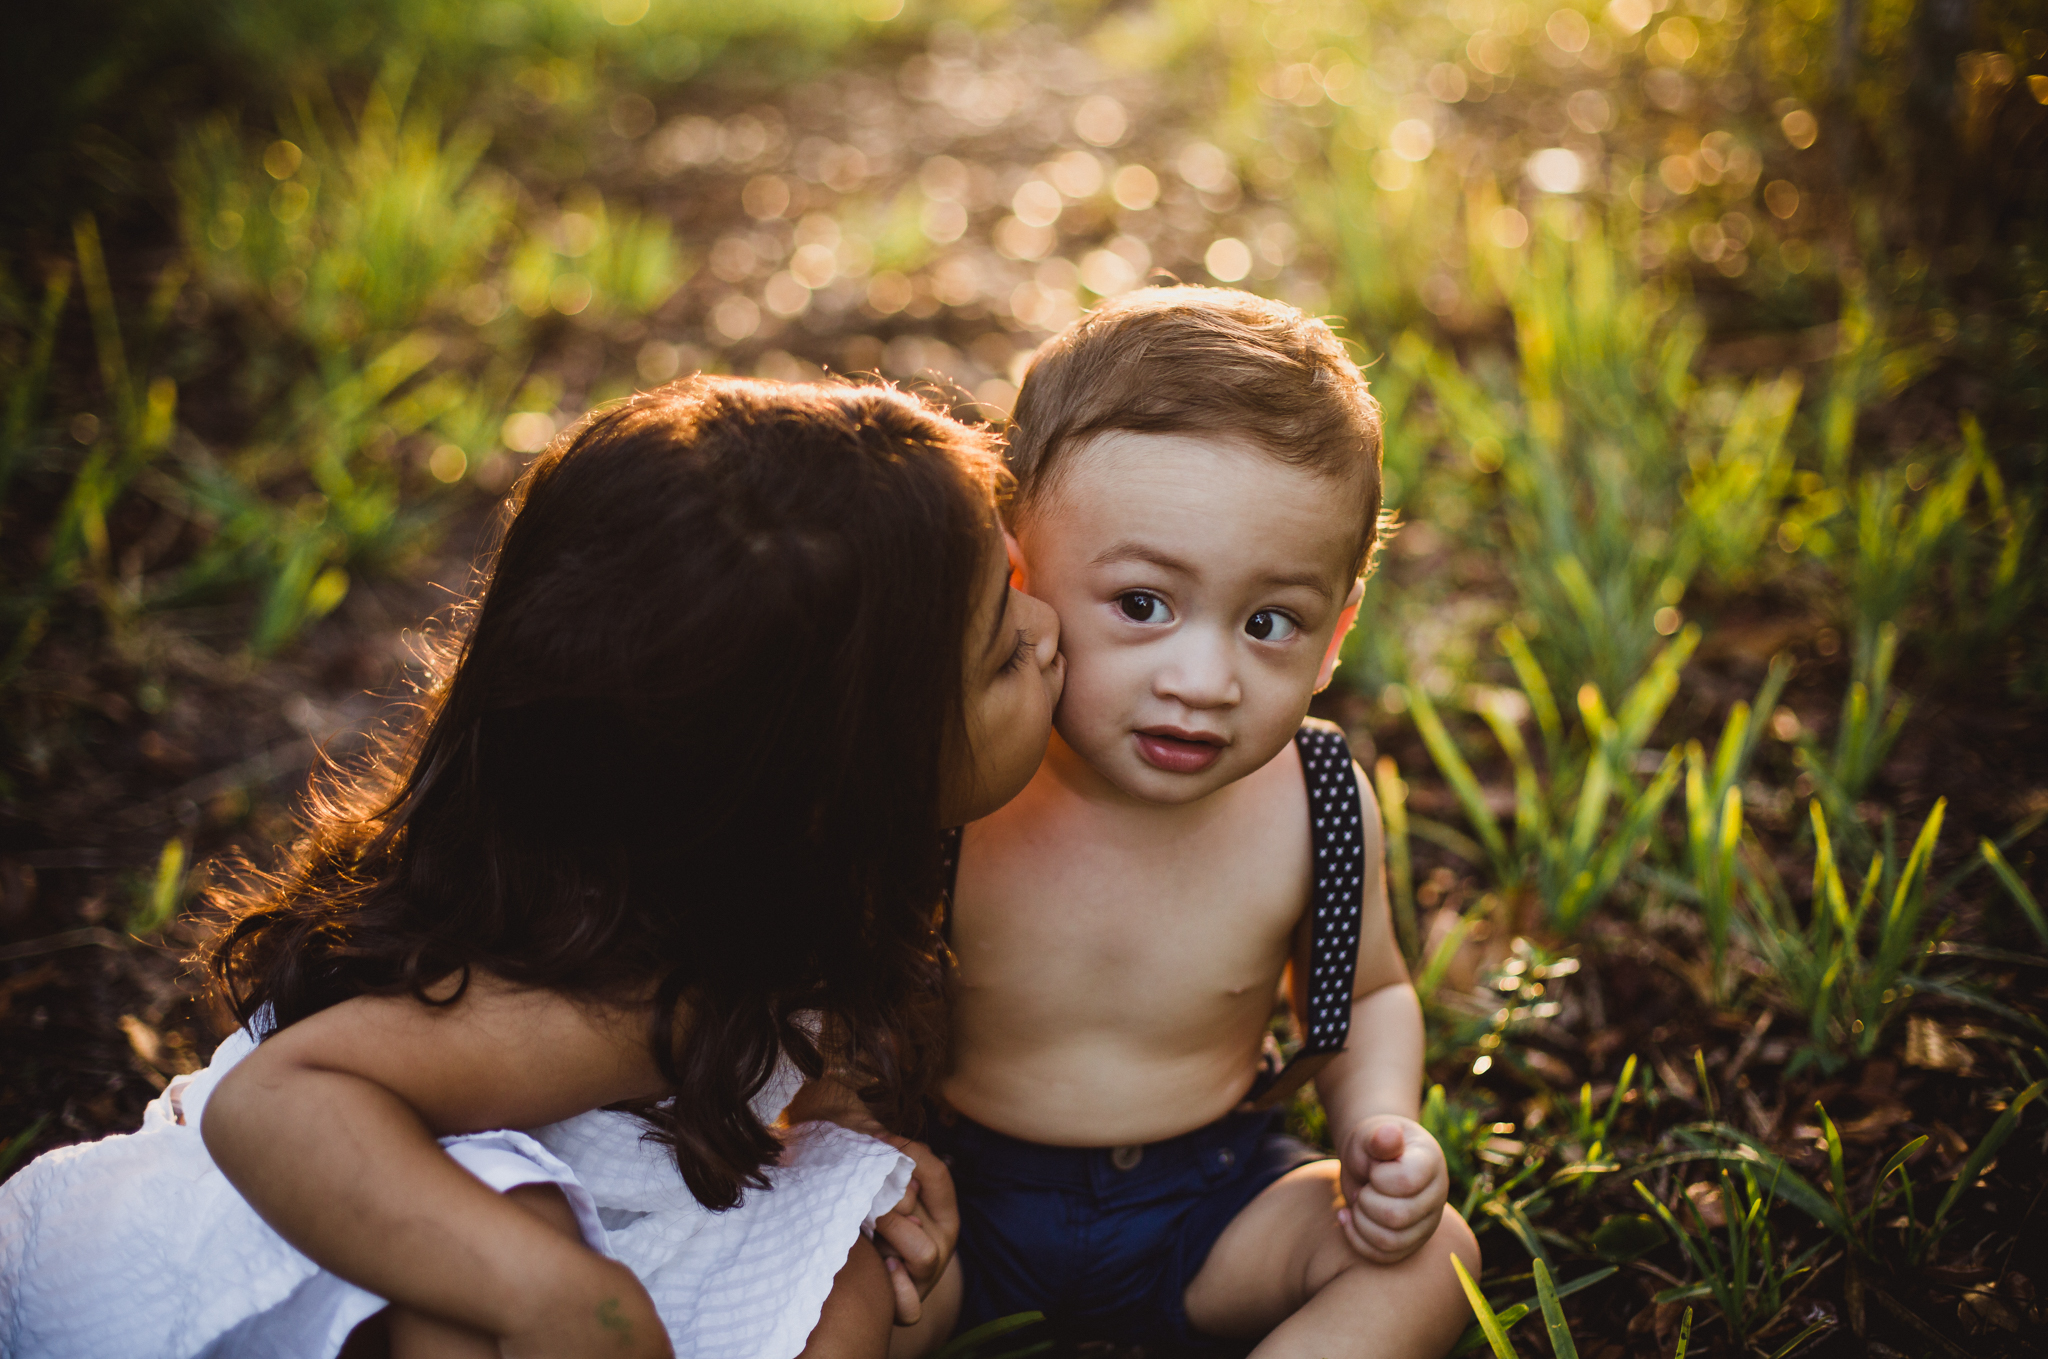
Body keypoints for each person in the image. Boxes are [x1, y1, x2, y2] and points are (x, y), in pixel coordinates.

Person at [0, 377, 1066, 1359]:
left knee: (884, 1275)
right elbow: (277, 1100)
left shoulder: (747, 882)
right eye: (1002, 651)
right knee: (483, 1281)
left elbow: (792, 1050)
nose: (1048, 627)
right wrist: (549, 1292)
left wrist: (849, 1133)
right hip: (357, 1207)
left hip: (619, 1186)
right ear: (837, 784)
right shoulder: (617, 990)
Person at [923, 288, 1479, 1359]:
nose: (1202, 678)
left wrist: (1382, 1127)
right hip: (956, 1191)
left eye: (1268, 624)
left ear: (1332, 639)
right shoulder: (960, 782)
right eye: (1141, 604)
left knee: (1432, 1255)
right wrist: (856, 1143)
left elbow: (1371, 991)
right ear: (1018, 576)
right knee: (828, 1279)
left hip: (1207, 1204)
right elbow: (834, 993)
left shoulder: (1313, 802)